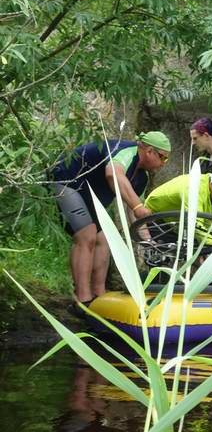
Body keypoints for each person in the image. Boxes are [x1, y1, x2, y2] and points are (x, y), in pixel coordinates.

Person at [50, 131, 171, 307]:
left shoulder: (141, 177)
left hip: (89, 195)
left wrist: (149, 242)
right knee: (87, 236)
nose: (163, 164)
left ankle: (99, 295)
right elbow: (113, 174)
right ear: (150, 151)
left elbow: (134, 214)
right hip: (67, 181)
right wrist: (138, 206)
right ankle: (82, 300)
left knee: (106, 239)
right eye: (163, 158)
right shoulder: (127, 151)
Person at [144, 166, 212, 244]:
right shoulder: (194, 188)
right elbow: (195, 222)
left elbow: (208, 222)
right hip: (156, 214)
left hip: (179, 220)